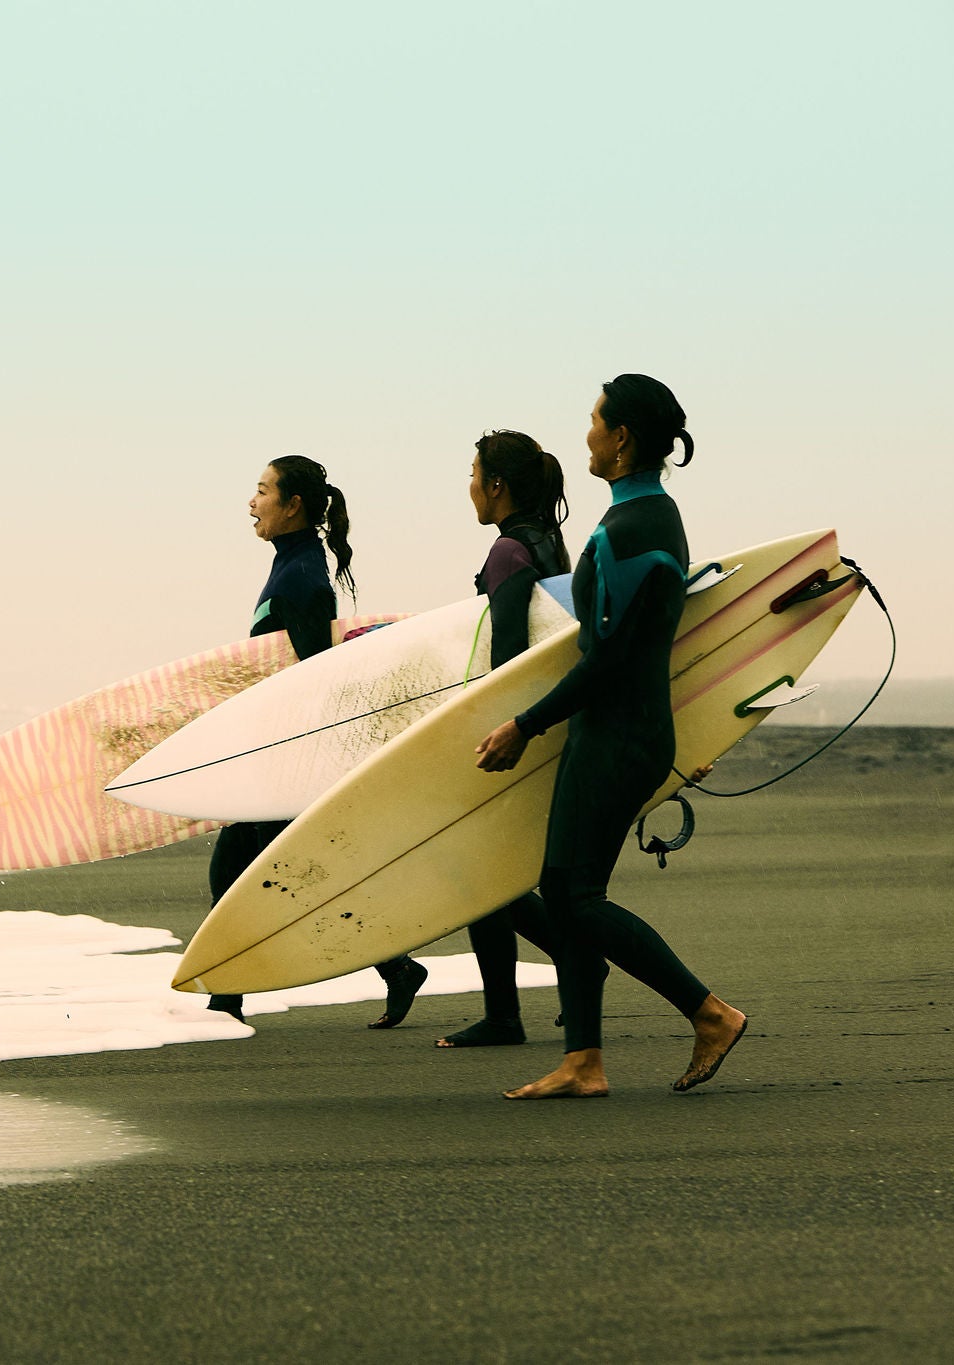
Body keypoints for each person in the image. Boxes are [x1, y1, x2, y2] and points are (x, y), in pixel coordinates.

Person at [475, 376, 747, 1098]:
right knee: (565, 889)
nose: (587, 436)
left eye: (595, 422)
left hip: (620, 735)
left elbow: (612, 660)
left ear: (621, 438)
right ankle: (583, 1060)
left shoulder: (634, 531)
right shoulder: (647, 518)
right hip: (618, 730)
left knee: (574, 897)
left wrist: (524, 724)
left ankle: (709, 1012)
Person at [206, 457, 429, 1025]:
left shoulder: (302, 576)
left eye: (261, 492)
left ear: (293, 504)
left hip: (289, 755)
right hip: (272, 749)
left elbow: (313, 673)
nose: (251, 504)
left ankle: (228, 996)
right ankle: (227, 996)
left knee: (279, 873)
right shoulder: (292, 566)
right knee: (250, 869)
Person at [426, 430, 572, 1047]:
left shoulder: (509, 552)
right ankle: (555, 975)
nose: (469, 488)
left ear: (496, 485)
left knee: (480, 873)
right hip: (546, 719)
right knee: (495, 873)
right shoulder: (549, 544)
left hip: (515, 725)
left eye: (473, 475)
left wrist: (498, 728)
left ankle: (521, 1002)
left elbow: (508, 654)